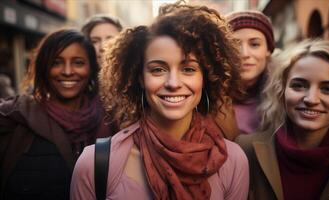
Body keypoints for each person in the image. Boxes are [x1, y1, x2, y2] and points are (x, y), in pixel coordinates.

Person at [71, 2, 249, 200]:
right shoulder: (94, 163)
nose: (173, 83)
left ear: (205, 77)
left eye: (188, 69)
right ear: (140, 77)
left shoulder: (234, 161)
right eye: (158, 69)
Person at [0, 29, 113, 200]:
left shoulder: (110, 120)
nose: (67, 71)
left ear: (91, 68)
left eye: (78, 62)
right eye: (56, 62)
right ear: (44, 67)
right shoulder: (16, 116)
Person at [237, 39, 329, 200]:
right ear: (282, 91)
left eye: (328, 89)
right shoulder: (245, 150)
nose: (311, 99)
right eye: (299, 86)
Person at [215, 10, 275, 140]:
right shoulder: (208, 100)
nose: (244, 54)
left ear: (268, 50)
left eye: (254, 44)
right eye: (234, 44)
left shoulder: (285, 98)